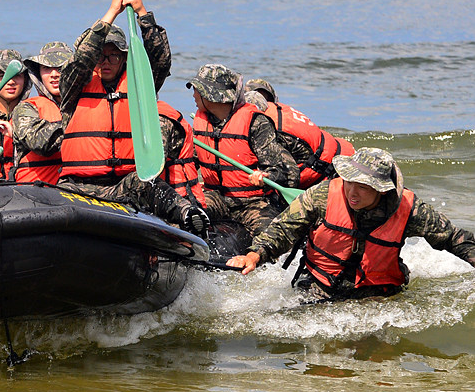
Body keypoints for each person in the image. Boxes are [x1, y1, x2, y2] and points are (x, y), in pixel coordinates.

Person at [56, 0, 209, 237]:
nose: (106, 62)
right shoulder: (74, 87)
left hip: (125, 184)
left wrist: (142, 13)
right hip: (78, 188)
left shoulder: (139, 87)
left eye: (113, 56)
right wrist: (113, 11)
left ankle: (189, 215)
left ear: (124, 58)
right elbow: (80, 60)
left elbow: (161, 61)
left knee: (149, 184)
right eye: (100, 56)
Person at [226, 148, 475, 301]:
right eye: (348, 181)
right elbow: (284, 228)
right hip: (318, 286)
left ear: (382, 190)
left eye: (363, 187)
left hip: (377, 294)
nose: (352, 192)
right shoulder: (323, 195)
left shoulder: (409, 209)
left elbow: (454, 239)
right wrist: (254, 254)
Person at [188, 64, 299, 237]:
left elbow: (279, 170)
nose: (194, 95)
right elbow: (189, 162)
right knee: (191, 217)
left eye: (197, 90)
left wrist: (265, 176)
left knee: (268, 237)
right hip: (215, 197)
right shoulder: (200, 122)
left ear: (210, 95)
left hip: (253, 202)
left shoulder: (256, 122)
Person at [244, 78, 354, 189]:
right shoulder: (281, 111)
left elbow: (291, 175)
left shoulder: (270, 129)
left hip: (336, 174)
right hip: (344, 152)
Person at [11, 41, 74, 184]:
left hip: (77, 192)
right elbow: (38, 142)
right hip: (35, 194)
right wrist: (81, 128)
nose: (54, 74)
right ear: (38, 73)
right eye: (47, 68)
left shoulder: (85, 104)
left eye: (60, 68)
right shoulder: (26, 109)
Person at [0, 49, 31, 180]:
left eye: (17, 76)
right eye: (2, 76)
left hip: (24, 188)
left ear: (25, 81)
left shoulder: (35, 115)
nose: (10, 81)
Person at [157, 99, 207, 209]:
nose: (194, 95)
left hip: (177, 197)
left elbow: (154, 167)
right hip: (167, 194)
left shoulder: (160, 120)